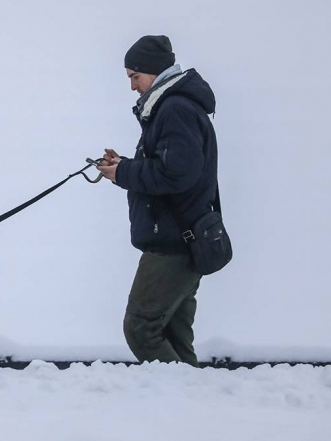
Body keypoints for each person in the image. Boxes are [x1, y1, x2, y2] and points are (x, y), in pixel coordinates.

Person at [97, 35, 219, 367]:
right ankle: (193, 409)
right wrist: (123, 165)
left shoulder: (175, 109)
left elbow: (176, 175)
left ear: (152, 72)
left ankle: (180, 403)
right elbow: (171, 168)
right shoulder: (173, 107)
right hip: (182, 238)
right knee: (175, 339)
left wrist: (123, 172)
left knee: (141, 328)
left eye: (134, 77)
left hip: (173, 243)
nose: (133, 86)